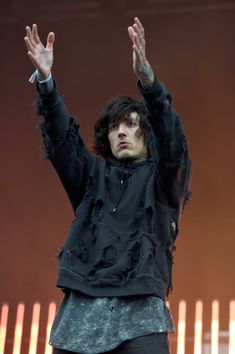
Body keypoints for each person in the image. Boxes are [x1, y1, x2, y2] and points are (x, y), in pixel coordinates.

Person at [24, 17, 191, 354]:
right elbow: (62, 142)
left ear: (145, 134)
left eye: (131, 126)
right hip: (81, 315)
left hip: (140, 315)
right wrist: (46, 82)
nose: (122, 132)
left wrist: (150, 85)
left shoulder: (162, 179)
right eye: (115, 127)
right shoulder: (92, 176)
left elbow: (173, 144)